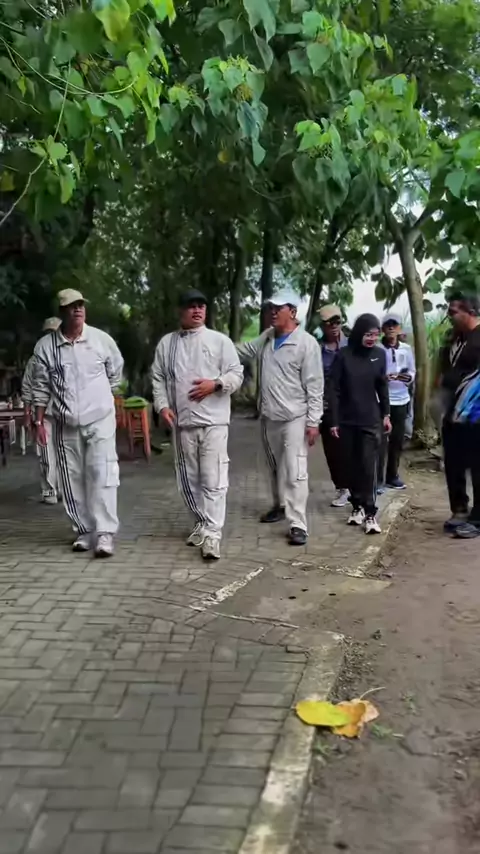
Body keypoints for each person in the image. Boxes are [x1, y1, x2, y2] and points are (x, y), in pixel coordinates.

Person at [151, 289, 243, 560]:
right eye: (191, 306)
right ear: (180, 311)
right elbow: (158, 378)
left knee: (213, 478)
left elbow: (236, 373)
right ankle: (201, 523)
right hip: (182, 423)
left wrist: (216, 384)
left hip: (214, 422)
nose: (197, 310)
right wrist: (162, 406)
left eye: (201, 306)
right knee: (188, 480)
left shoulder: (219, 341)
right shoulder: (167, 344)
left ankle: (213, 534)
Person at [32, 289, 124, 557]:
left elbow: (115, 372)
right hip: (65, 422)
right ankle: (83, 530)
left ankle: (105, 533)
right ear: (61, 311)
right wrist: (38, 422)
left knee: (102, 473)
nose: (78, 309)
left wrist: (106, 398)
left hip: (100, 419)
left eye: (81, 305)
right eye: (71, 306)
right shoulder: (46, 347)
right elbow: (40, 387)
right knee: (71, 478)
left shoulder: (101, 340)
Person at [237, 290, 324, 546]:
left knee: (295, 470)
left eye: (279, 308)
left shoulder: (306, 344)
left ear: (293, 312)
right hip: (268, 416)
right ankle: (280, 505)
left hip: (295, 417)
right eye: (271, 308)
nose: (273, 312)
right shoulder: (267, 337)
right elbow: (244, 350)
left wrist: (313, 422)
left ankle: (298, 524)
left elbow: (315, 386)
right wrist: (215, 346)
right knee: (272, 467)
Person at [329, 313, 391, 535]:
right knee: (351, 466)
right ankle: (357, 507)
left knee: (368, 466)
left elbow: (382, 386)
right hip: (346, 420)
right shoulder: (343, 356)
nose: (372, 339)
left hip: (370, 420)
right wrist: (334, 420)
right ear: (358, 334)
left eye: (375, 335)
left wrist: (386, 414)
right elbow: (334, 390)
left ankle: (371, 513)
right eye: (368, 334)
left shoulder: (380, 355)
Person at [438, 293, 480, 539]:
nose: (450, 316)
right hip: (453, 413)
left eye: (454, 312)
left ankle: (478, 519)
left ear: (470, 312)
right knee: (453, 463)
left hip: (475, 415)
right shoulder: (454, 340)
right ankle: (460, 509)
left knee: (478, 466)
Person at [22, 317, 62, 505]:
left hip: (64, 413)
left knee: (65, 452)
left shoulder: (70, 355)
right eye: (48, 333)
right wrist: (27, 414)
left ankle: (63, 489)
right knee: (45, 453)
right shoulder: (35, 359)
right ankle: (50, 491)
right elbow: (27, 387)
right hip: (43, 413)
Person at [379, 314, 416, 490]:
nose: (391, 328)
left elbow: (412, 372)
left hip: (401, 399)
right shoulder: (378, 349)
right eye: (388, 325)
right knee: (380, 441)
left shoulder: (406, 349)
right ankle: (377, 479)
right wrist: (384, 378)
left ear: (399, 328)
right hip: (382, 400)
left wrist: (401, 377)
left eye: (394, 325)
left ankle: (392, 476)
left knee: (397, 440)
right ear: (383, 329)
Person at [317, 304, 349, 507]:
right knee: (333, 451)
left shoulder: (351, 345)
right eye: (330, 323)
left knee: (352, 448)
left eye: (337, 322)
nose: (335, 326)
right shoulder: (316, 349)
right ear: (323, 326)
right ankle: (342, 488)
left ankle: (361, 488)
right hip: (326, 405)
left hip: (350, 404)